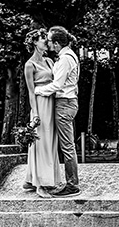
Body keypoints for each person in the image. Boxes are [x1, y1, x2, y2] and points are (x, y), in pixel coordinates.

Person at [35, 26, 81, 198]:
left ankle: (72, 185)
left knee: (67, 146)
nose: (47, 43)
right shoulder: (66, 56)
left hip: (64, 103)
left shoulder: (65, 59)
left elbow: (57, 85)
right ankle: (68, 182)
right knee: (65, 145)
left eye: (49, 41)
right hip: (66, 103)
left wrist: (38, 91)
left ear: (56, 43)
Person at [23, 28, 63, 198]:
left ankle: (43, 179)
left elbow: (56, 81)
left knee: (51, 142)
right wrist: (35, 114)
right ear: (34, 43)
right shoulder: (29, 65)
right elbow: (31, 92)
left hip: (52, 101)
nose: (46, 42)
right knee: (40, 142)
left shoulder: (49, 61)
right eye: (42, 39)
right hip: (40, 104)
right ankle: (40, 184)